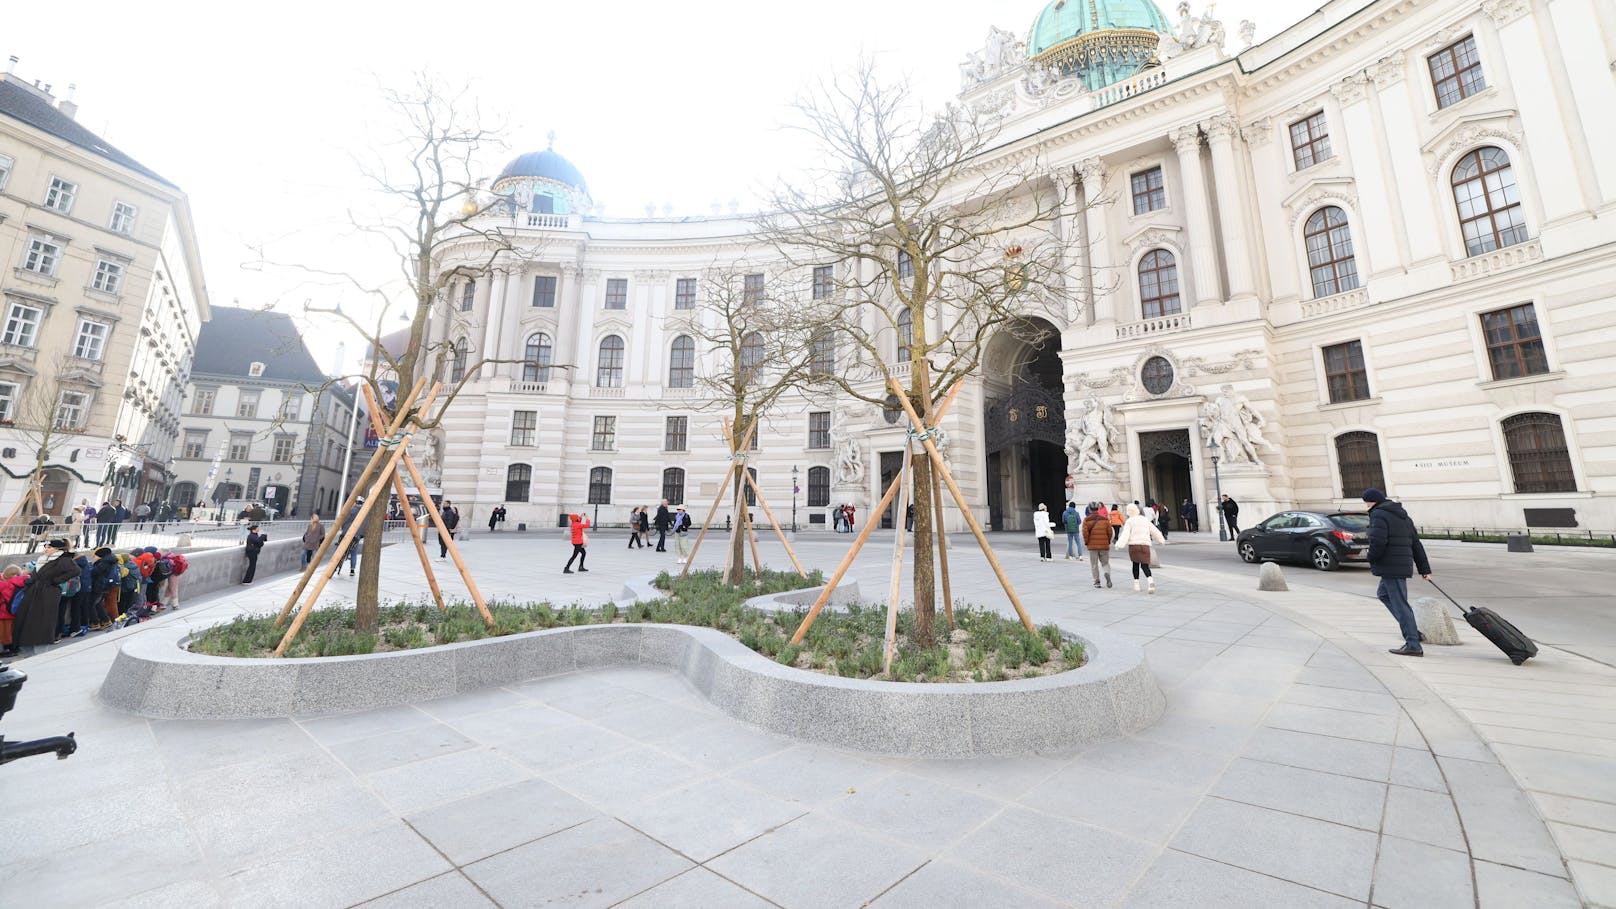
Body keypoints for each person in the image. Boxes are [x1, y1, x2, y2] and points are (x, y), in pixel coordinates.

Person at [1363, 488, 1431, 657]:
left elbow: (1378, 541)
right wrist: (1425, 569)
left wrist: (1370, 557)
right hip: (1398, 565)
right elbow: (1416, 544)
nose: (1366, 506)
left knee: (1400, 604)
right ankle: (1414, 632)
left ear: (1372, 502)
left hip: (1391, 566)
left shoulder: (1378, 514)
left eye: (1366, 502)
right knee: (1383, 594)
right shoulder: (1403, 516)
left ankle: (1413, 644)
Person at [13, 539, 80, 649]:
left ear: (57, 549)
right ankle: (27, 642)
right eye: (46, 547)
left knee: (43, 619)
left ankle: (40, 644)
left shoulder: (63, 559)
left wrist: (56, 580)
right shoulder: (43, 559)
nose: (46, 549)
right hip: (35, 590)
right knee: (29, 617)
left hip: (49, 592)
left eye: (49, 547)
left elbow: (75, 571)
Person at [1114, 503, 1167, 593]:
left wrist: (1119, 544)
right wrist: (1161, 540)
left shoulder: (1129, 521)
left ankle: (1137, 584)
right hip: (1145, 545)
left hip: (1134, 546)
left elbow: (1125, 535)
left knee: (1135, 565)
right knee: (1145, 565)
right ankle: (1150, 580)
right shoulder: (1145, 520)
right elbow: (1155, 531)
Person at [1082, 501, 1114, 588]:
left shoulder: (1087, 520)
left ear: (1089, 509)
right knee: (1105, 563)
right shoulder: (1105, 519)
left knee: (1094, 564)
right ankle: (1107, 573)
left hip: (1092, 546)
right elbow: (1110, 532)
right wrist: (1107, 541)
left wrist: (1087, 542)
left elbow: (1085, 533)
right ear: (1098, 509)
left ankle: (1097, 581)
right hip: (1104, 545)